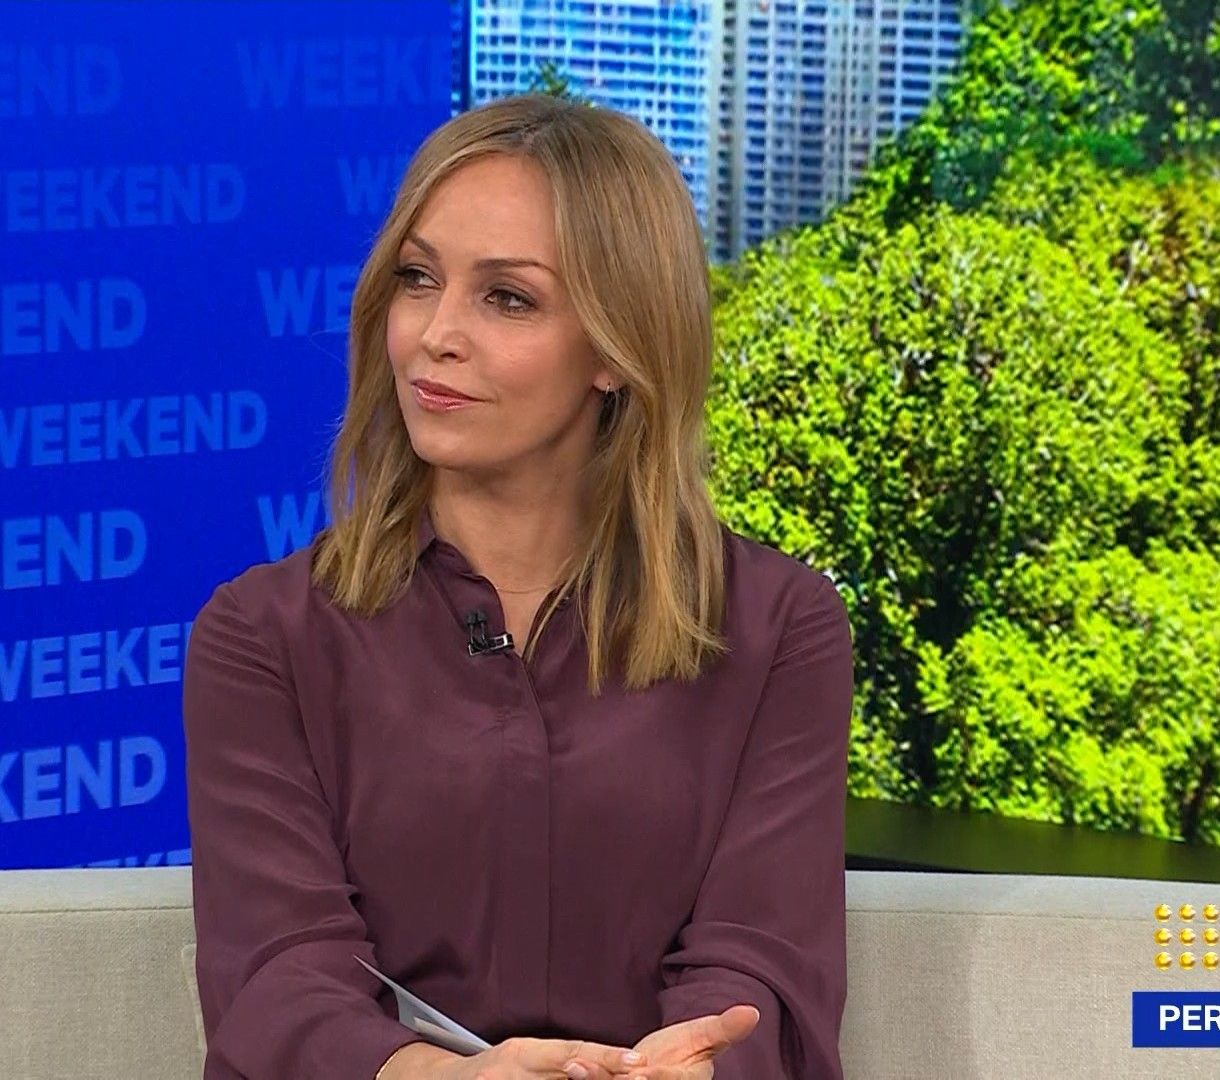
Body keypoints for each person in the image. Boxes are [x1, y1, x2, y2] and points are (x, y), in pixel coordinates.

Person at [183, 94, 854, 1080]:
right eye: (418, 279)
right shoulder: (262, 636)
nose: (435, 335)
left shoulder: (778, 628)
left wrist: (691, 1066)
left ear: (617, 350)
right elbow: (279, 974)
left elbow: (762, 961)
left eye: (507, 298)